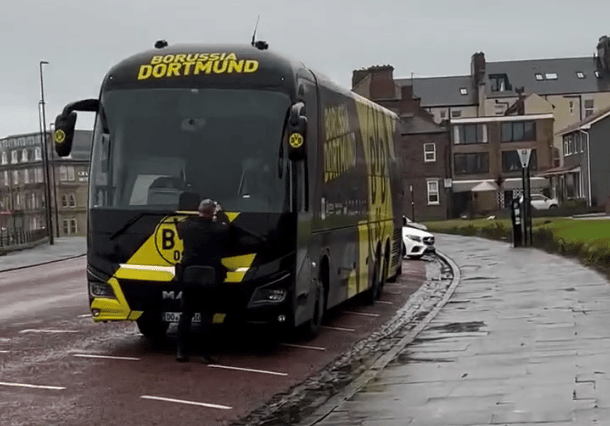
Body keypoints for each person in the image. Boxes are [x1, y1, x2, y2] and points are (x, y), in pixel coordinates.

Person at [175, 198, 231, 363]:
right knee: (206, 316)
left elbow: (180, 227)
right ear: (212, 212)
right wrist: (220, 213)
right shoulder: (218, 229)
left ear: (199, 210)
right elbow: (227, 228)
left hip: (189, 274)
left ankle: (181, 351)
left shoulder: (188, 227)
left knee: (186, 314)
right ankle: (204, 354)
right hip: (209, 275)